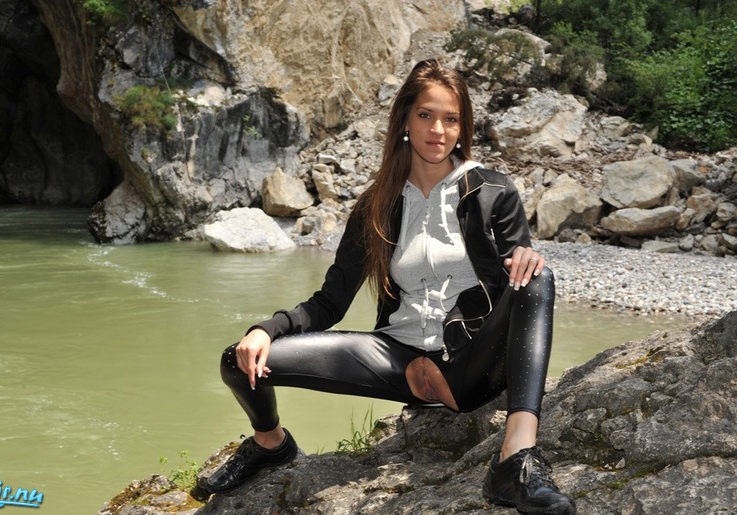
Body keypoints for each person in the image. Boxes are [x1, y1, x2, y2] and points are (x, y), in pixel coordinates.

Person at [200, 58, 576, 515]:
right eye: (426, 115)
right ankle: (271, 444)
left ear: (463, 128)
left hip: (471, 364)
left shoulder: (493, 191)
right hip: (395, 360)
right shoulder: (376, 204)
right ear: (404, 122)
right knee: (239, 361)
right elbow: (330, 301)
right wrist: (267, 329)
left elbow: (518, 269)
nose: (437, 130)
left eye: (451, 119)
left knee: (537, 277)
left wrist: (526, 256)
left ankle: (516, 459)